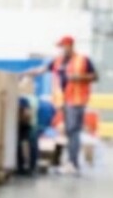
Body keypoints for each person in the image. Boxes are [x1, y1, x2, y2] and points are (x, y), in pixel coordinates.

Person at [30, 36, 99, 174]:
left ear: (71, 46)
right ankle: (71, 162)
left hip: (77, 100)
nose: (62, 49)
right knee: (69, 131)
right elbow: (43, 69)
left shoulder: (83, 60)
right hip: (65, 100)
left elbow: (95, 76)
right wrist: (26, 73)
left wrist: (79, 77)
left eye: (64, 46)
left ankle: (73, 164)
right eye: (60, 46)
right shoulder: (58, 61)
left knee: (73, 131)